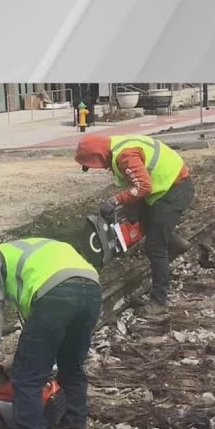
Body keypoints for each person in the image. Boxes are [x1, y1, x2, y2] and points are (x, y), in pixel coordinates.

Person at [0, 237, 103, 429]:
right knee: (71, 366)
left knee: (27, 378)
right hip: (92, 292)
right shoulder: (44, 249)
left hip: (57, 296)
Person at [75, 133, 196, 322]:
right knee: (146, 223)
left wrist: (114, 201)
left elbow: (143, 187)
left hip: (174, 189)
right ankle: (177, 244)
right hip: (167, 187)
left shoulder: (124, 155)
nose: (98, 168)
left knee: (155, 247)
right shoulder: (118, 146)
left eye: (94, 164)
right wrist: (125, 209)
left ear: (98, 156)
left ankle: (159, 303)